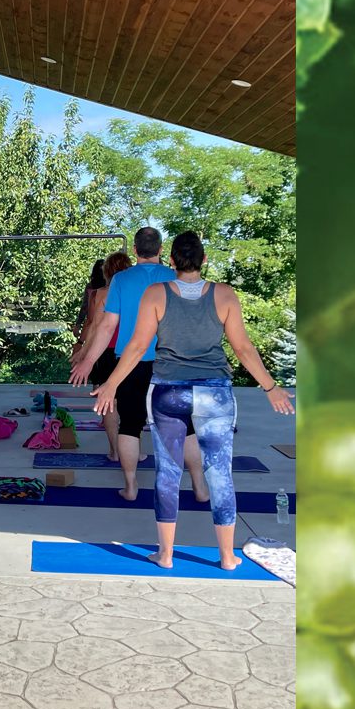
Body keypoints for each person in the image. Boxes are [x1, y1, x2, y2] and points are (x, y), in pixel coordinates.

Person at [94, 232, 295, 569]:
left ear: (171, 261)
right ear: (203, 261)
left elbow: (137, 346)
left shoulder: (155, 294)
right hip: (215, 393)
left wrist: (112, 383)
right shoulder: (225, 295)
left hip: (169, 392)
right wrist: (270, 387)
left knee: (167, 474)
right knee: (221, 475)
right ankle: (228, 557)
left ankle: (167, 555)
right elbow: (243, 349)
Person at [71, 227, 207, 500]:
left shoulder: (121, 280)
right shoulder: (175, 277)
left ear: (135, 250)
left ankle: (131, 486)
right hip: (170, 362)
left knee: (130, 425)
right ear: (161, 250)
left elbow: (108, 326)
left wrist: (88, 360)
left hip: (130, 364)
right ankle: (200, 486)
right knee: (186, 425)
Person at [69, 251, 133, 444]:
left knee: (108, 402)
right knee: (129, 402)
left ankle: (114, 450)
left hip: (104, 352)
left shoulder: (100, 294)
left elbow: (95, 325)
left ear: (106, 272)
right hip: (130, 352)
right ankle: (132, 451)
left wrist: (84, 350)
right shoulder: (137, 293)